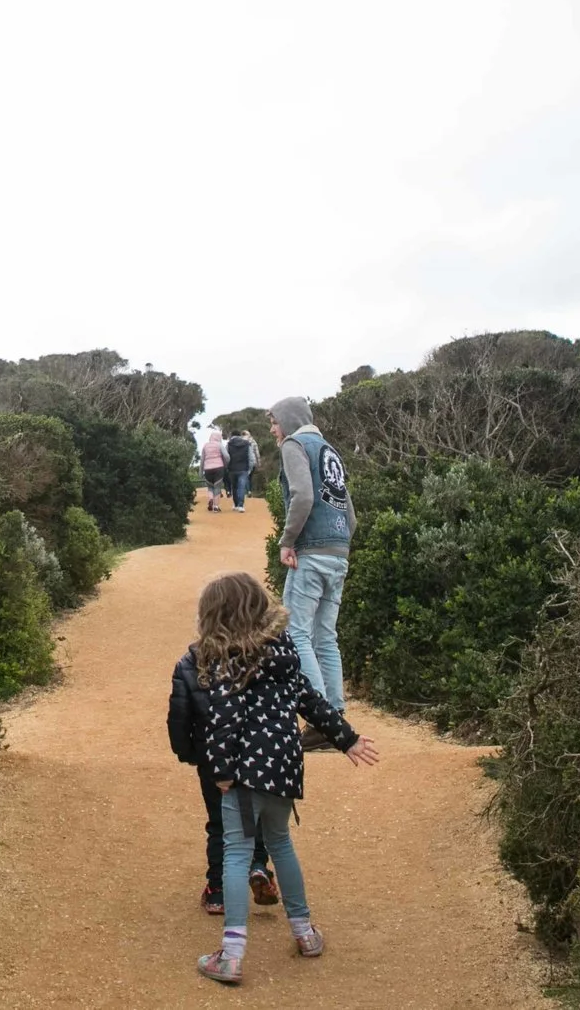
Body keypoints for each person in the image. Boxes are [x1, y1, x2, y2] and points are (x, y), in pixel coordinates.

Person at [189, 571, 378, 985]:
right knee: (279, 843)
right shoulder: (285, 648)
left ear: (216, 616)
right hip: (285, 765)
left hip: (244, 773)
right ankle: (305, 933)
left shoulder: (228, 656)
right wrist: (346, 738)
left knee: (237, 854)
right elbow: (310, 699)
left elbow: (223, 720)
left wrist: (221, 771)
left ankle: (232, 955)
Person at [167, 628, 279, 916]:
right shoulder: (256, 656)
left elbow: (179, 716)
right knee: (251, 817)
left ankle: (217, 890)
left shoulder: (190, 663)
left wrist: (188, 753)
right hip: (254, 754)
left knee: (219, 822)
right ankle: (257, 866)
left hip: (212, 759)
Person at [271, 396, 357, 707]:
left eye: (275, 421)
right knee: (326, 638)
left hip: (311, 554)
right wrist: (338, 546)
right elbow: (351, 517)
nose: (272, 429)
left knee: (296, 633)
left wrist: (287, 540)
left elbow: (303, 496)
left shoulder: (295, 445)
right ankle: (335, 714)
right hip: (339, 553)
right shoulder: (329, 451)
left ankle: (321, 716)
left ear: (289, 421)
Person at [223, 427, 256, 511]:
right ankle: (241, 505)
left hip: (232, 469)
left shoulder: (229, 444)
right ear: (240, 435)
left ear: (232, 436)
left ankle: (236, 504)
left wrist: (226, 467)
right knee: (241, 487)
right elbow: (252, 458)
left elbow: (226, 457)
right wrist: (249, 469)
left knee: (234, 487)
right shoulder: (247, 443)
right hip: (243, 468)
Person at [199, 426, 227, 511]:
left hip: (207, 469)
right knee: (217, 487)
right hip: (219, 468)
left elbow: (202, 459)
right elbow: (226, 456)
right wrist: (225, 464)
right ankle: (216, 507)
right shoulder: (219, 445)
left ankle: (211, 499)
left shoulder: (205, 446)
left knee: (210, 486)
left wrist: (200, 471)